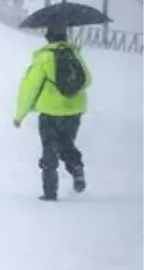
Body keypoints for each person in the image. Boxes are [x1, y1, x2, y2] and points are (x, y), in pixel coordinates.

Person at [14, 27, 92, 201]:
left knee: (50, 150)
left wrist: (20, 115)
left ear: (48, 38)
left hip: (50, 112)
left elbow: (29, 88)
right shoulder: (74, 55)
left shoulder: (44, 58)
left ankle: (50, 192)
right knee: (66, 143)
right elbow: (87, 80)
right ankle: (76, 168)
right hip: (74, 111)